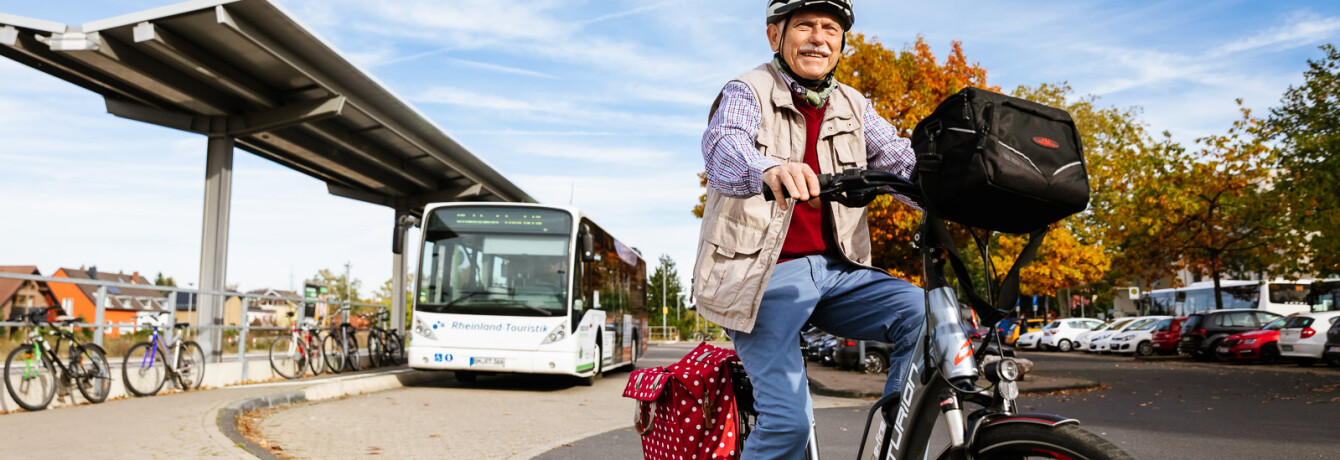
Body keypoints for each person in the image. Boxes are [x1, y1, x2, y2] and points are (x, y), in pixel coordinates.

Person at [694, 1, 926, 457]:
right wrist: (769, 169)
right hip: (764, 278)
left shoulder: (854, 105)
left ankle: (896, 440)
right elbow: (724, 148)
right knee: (787, 426)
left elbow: (903, 162)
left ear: (841, 43)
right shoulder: (748, 90)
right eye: (805, 26)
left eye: (831, 29)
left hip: (841, 273)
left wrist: (966, 191)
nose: (819, 38)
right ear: (775, 36)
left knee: (926, 313)